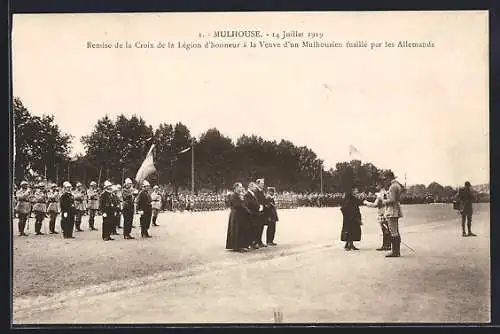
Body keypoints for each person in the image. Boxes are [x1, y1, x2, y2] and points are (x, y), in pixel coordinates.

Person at [364, 182, 391, 251]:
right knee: (387, 229)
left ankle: (385, 245)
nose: (376, 186)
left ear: (380, 185)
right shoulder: (386, 193)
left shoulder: (380, 195)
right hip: (387, 212)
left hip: (382, 213)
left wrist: (366, 202)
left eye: (377, 185)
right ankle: (388, 244)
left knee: (384, 230)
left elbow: (375, 205)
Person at [382, 173, 404, 257]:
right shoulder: (397, 185)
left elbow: (392, 200)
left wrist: (384, 201)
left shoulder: (392, 187)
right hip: (396, 209)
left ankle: (394, 251)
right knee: (395, 231)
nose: (385, 181)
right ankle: (396, 251)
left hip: (392, 210)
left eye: (386, 179)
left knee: (393, 231)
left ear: (389, 178)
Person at [226, 182, 252, 252]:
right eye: (240, 187)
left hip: (239, 214)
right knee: (237, 230)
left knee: (240, 230)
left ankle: (240, 246)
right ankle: (237, 247)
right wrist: (248, 211)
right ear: (236, 188)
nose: (241, 188)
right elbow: (239, 205)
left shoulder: (237, 195)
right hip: (236, 215)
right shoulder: (233, 195)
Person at [244, 182, 262, 249]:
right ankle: (250, 243)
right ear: (250, 187)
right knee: (251, 229)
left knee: (255, 229)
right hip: (251, 215)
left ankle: (253, 243)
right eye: (254, 187)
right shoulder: (247, 195)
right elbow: (247, 204)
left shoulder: (253, 194)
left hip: (255, 214)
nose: (255, 188)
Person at [254, 178, 269, 248]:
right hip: (258, 211)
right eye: (261, 184)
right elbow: (257, 200)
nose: (263, 185)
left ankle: (259, 241)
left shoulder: (261, 191)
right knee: (257, 227)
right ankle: (256, 242)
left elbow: (263, 200)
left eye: (263, 184)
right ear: (257, 184)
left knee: (261, 227)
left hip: (263, 211)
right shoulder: (256, 191)